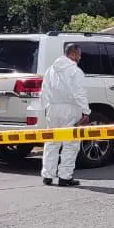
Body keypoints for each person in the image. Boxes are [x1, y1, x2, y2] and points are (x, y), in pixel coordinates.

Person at [40, 43, 91, 187]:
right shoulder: (75, 71)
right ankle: (65, 177)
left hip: (52, 108)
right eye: (79, 54)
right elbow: (79, 93)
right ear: (74, 54)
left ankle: (47, 175)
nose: (80, 58)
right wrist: (86, 111)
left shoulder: (51, 70)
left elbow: (44, 90)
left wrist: (46, 107)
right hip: (70, 109)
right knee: (71, 144)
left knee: (51, 142)